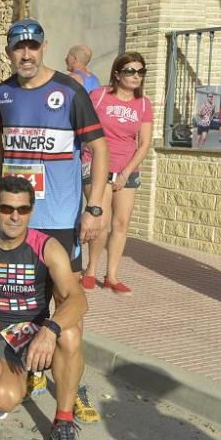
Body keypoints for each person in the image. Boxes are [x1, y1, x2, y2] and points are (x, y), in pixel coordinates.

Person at [0, 18, 107, 407]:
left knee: (68, 309)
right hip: (16, 218)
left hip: (59, 221)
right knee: (28, 301)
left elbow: (100, 149)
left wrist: (94, 208)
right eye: (18, 47)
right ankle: (35, 370)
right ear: (8, 52)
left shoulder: (69, 90)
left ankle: (72, 387)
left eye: (33, 47)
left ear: (43, 48)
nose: (26, 54)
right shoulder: (1, 93)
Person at [0, 176, 89, 440]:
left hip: (32, 334)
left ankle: (64, 421)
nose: (14, 216)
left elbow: (78, 298)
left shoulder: (47, 247)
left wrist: (50, 329)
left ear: (31, 211)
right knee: (5, 399)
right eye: (7, 209)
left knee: (69, 333)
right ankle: (6, 382)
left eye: (22, 209)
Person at [82, 53, 153, 296]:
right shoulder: (99, 96)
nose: (136, 76)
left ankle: (111, 275)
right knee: (100, 220)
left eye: (140, 71)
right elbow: (83, 127)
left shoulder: (143, 104)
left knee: (121, 223)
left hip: (127, 169)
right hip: (95, 165)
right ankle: (90, 270)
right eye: (130, 70)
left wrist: (125, 173)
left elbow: (144, 144)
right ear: (117, 74)